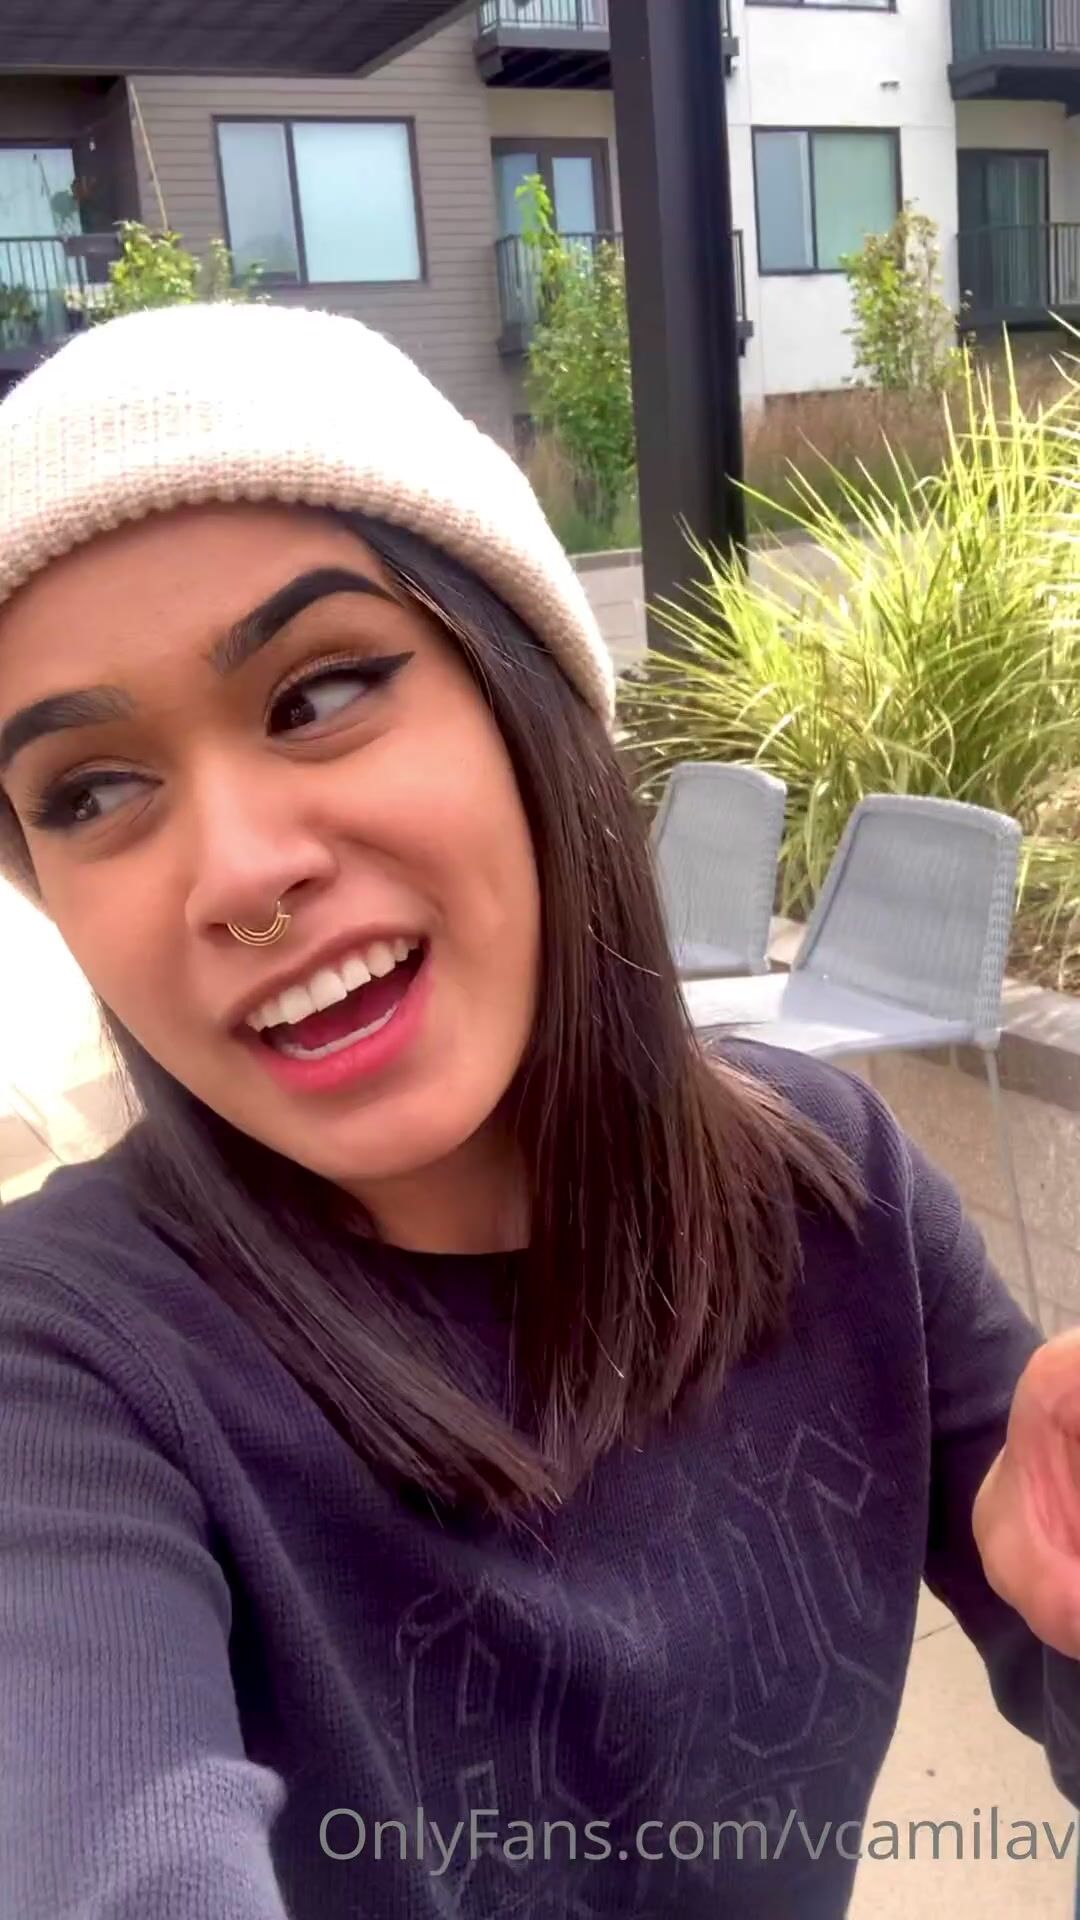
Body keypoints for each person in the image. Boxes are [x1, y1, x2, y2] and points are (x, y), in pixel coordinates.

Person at [0, 301, 1076, 1920]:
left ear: (530, 706)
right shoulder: (60, 1375)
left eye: (318, 694)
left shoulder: (828, 1188)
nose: (238, 874)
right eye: (91, 792)